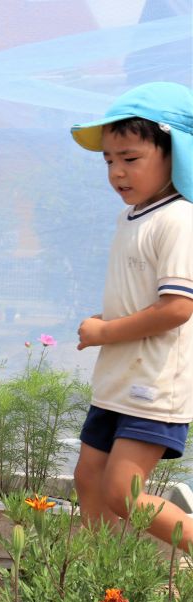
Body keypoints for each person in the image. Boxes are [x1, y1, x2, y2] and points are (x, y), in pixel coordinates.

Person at [71, 82, 193, 550]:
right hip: (121, 378)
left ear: (174, 153)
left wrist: (104, 331)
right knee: (89, 479)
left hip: (154, 384)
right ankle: (101, 580)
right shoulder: (134, 216)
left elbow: (179, 307)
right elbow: (146, 296)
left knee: (125, 491)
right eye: (108, 160)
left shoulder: (179, 218)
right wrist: (105, 322)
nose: (116, 171)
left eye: (130, 158)